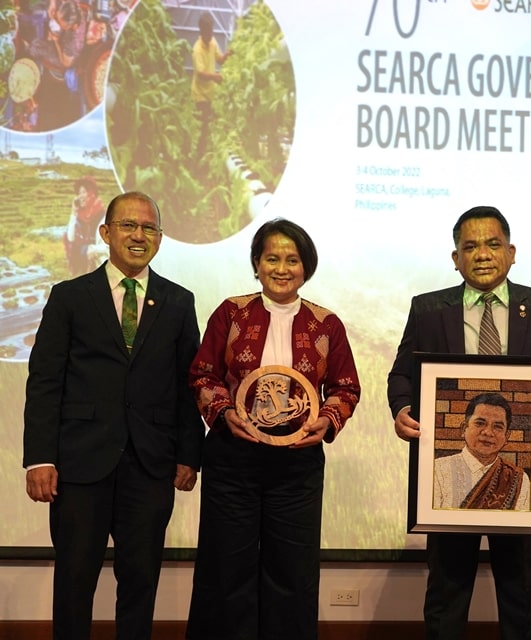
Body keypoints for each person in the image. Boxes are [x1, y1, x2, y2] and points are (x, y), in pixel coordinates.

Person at [388, 205, 531, 639]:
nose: (482, 254)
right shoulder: (428, 309)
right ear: (455, 258)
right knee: (447, 589)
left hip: (524, 477)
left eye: (493, 244)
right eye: (469, 246)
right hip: (447, 483)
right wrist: (402, 410)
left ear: (512, 253)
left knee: (520, 590)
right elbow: (401, 375)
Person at [22, 191, 204, 640]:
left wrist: (189, 454)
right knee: (74, 581)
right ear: (105, 233)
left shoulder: (179, 302)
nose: (138, 236)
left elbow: (190, 385)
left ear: (160, 238)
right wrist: (39, 457)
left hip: (149, 465)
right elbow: (45, 381)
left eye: (149, 228)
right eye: (128, 226)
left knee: (141, 582)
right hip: (80, 465)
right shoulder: (69, 297)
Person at [185, 218, 361, 640]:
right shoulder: (231, 313)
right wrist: (225, 412)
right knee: (227, 566)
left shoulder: (326, 324)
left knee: (293, 570)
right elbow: (203, 375)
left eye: (293, 260)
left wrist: (328, 418)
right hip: (232, 459)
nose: (282, 268)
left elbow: (345, 387)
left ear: (306, 267)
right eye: (272, 258)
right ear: (257, 265)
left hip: (297, 464)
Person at [434, 392, 531, 511]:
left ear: (506, 436)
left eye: (497, 427)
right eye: (480, 423)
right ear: (464, 428)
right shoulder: (438, 470)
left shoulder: (518, 479)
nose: (488, 432)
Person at [191, 12, 230, 159]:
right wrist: (215, 77)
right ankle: (199, 159)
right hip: (200, 95)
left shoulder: (213, 41)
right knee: (202, 127)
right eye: (207, 32)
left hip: (210, 93)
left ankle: (205, 156)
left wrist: (226, 54)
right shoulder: (197, 50)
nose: (210, 35)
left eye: (211, 31)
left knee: (208, 126)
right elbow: (200, 74)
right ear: (201, 31)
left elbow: (219, 60)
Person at [63, 176, 106, 276]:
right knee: (72, 243)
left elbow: (111, 247)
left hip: (101, 258)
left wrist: (94, 249)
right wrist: (73, 213)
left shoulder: (103, 217)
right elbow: (71, 238)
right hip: (87, 259)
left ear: (92, 193)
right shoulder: (80, 216)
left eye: (83, 192)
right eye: (78, 193)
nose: (80, 196)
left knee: (85, 249)